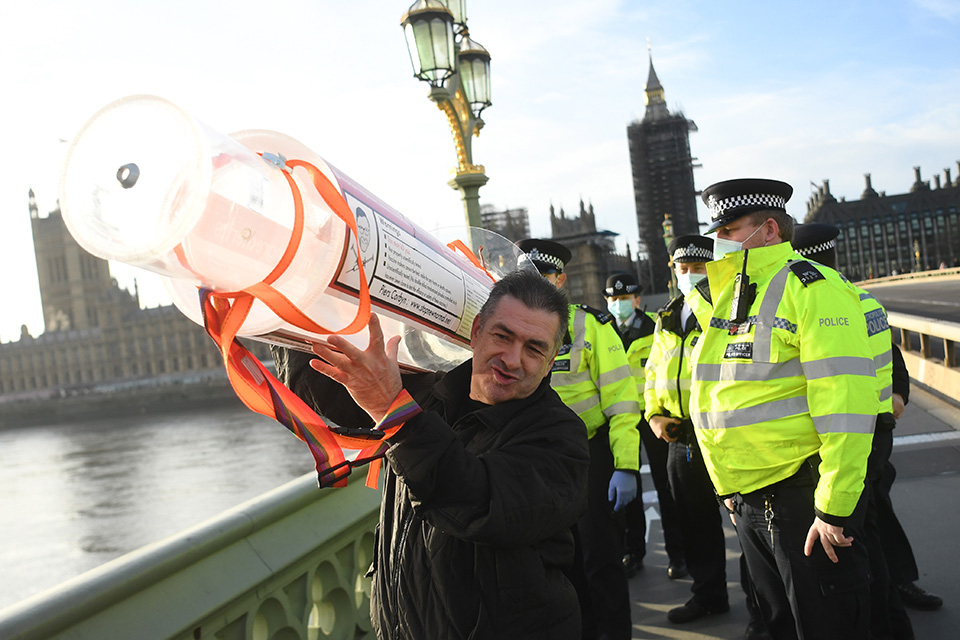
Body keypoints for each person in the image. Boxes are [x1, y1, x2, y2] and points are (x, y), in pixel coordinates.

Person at [272, 271, 591, 639]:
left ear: (551, 362)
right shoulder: (431, 396)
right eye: (502, 336)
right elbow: (322, 387)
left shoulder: (559, 436)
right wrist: (284, 300)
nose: (513, 358)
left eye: (534, 348)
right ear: (476, 334)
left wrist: (395, 410)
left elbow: (477, 501)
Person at [686, 178, 879, 639]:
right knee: (780, 626)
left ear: (769, 229)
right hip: (749, 501)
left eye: (730, 229)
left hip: (802, 502)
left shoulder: (812, 288)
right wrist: (727, 489)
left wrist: (832, 510)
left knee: (825, 626)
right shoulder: (735, 294)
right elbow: (717, 394)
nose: (718, 241)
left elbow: (846, 406)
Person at [793, 223, 942, 631]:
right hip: (871, 432)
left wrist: (898, 393)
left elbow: (887, 354)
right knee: (874, 520)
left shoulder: (831, 303)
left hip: (858, 437)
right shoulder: (854, 298)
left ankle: (889, 604)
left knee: (864, 530)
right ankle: (895, 595)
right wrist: (898, 396)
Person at [518, 238, 641, 640]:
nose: (537, 285)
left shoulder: (591, 325)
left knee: (600, 560)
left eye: (545, 277)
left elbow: (622, 400)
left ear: (561, 279)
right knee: (557, 564)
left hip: (589, 454)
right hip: (535, 459)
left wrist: (624, 465)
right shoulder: (509, 328)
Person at [605, 272, 687, 580]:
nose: (618, 304)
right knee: (628, 488)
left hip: (653, 414)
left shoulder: (656, 326)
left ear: (637, 299)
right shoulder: (603, 329)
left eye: (624, 299)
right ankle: (632, 551)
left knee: (666, 488)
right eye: (613, 299)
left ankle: (678, 556)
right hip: (620, 416)